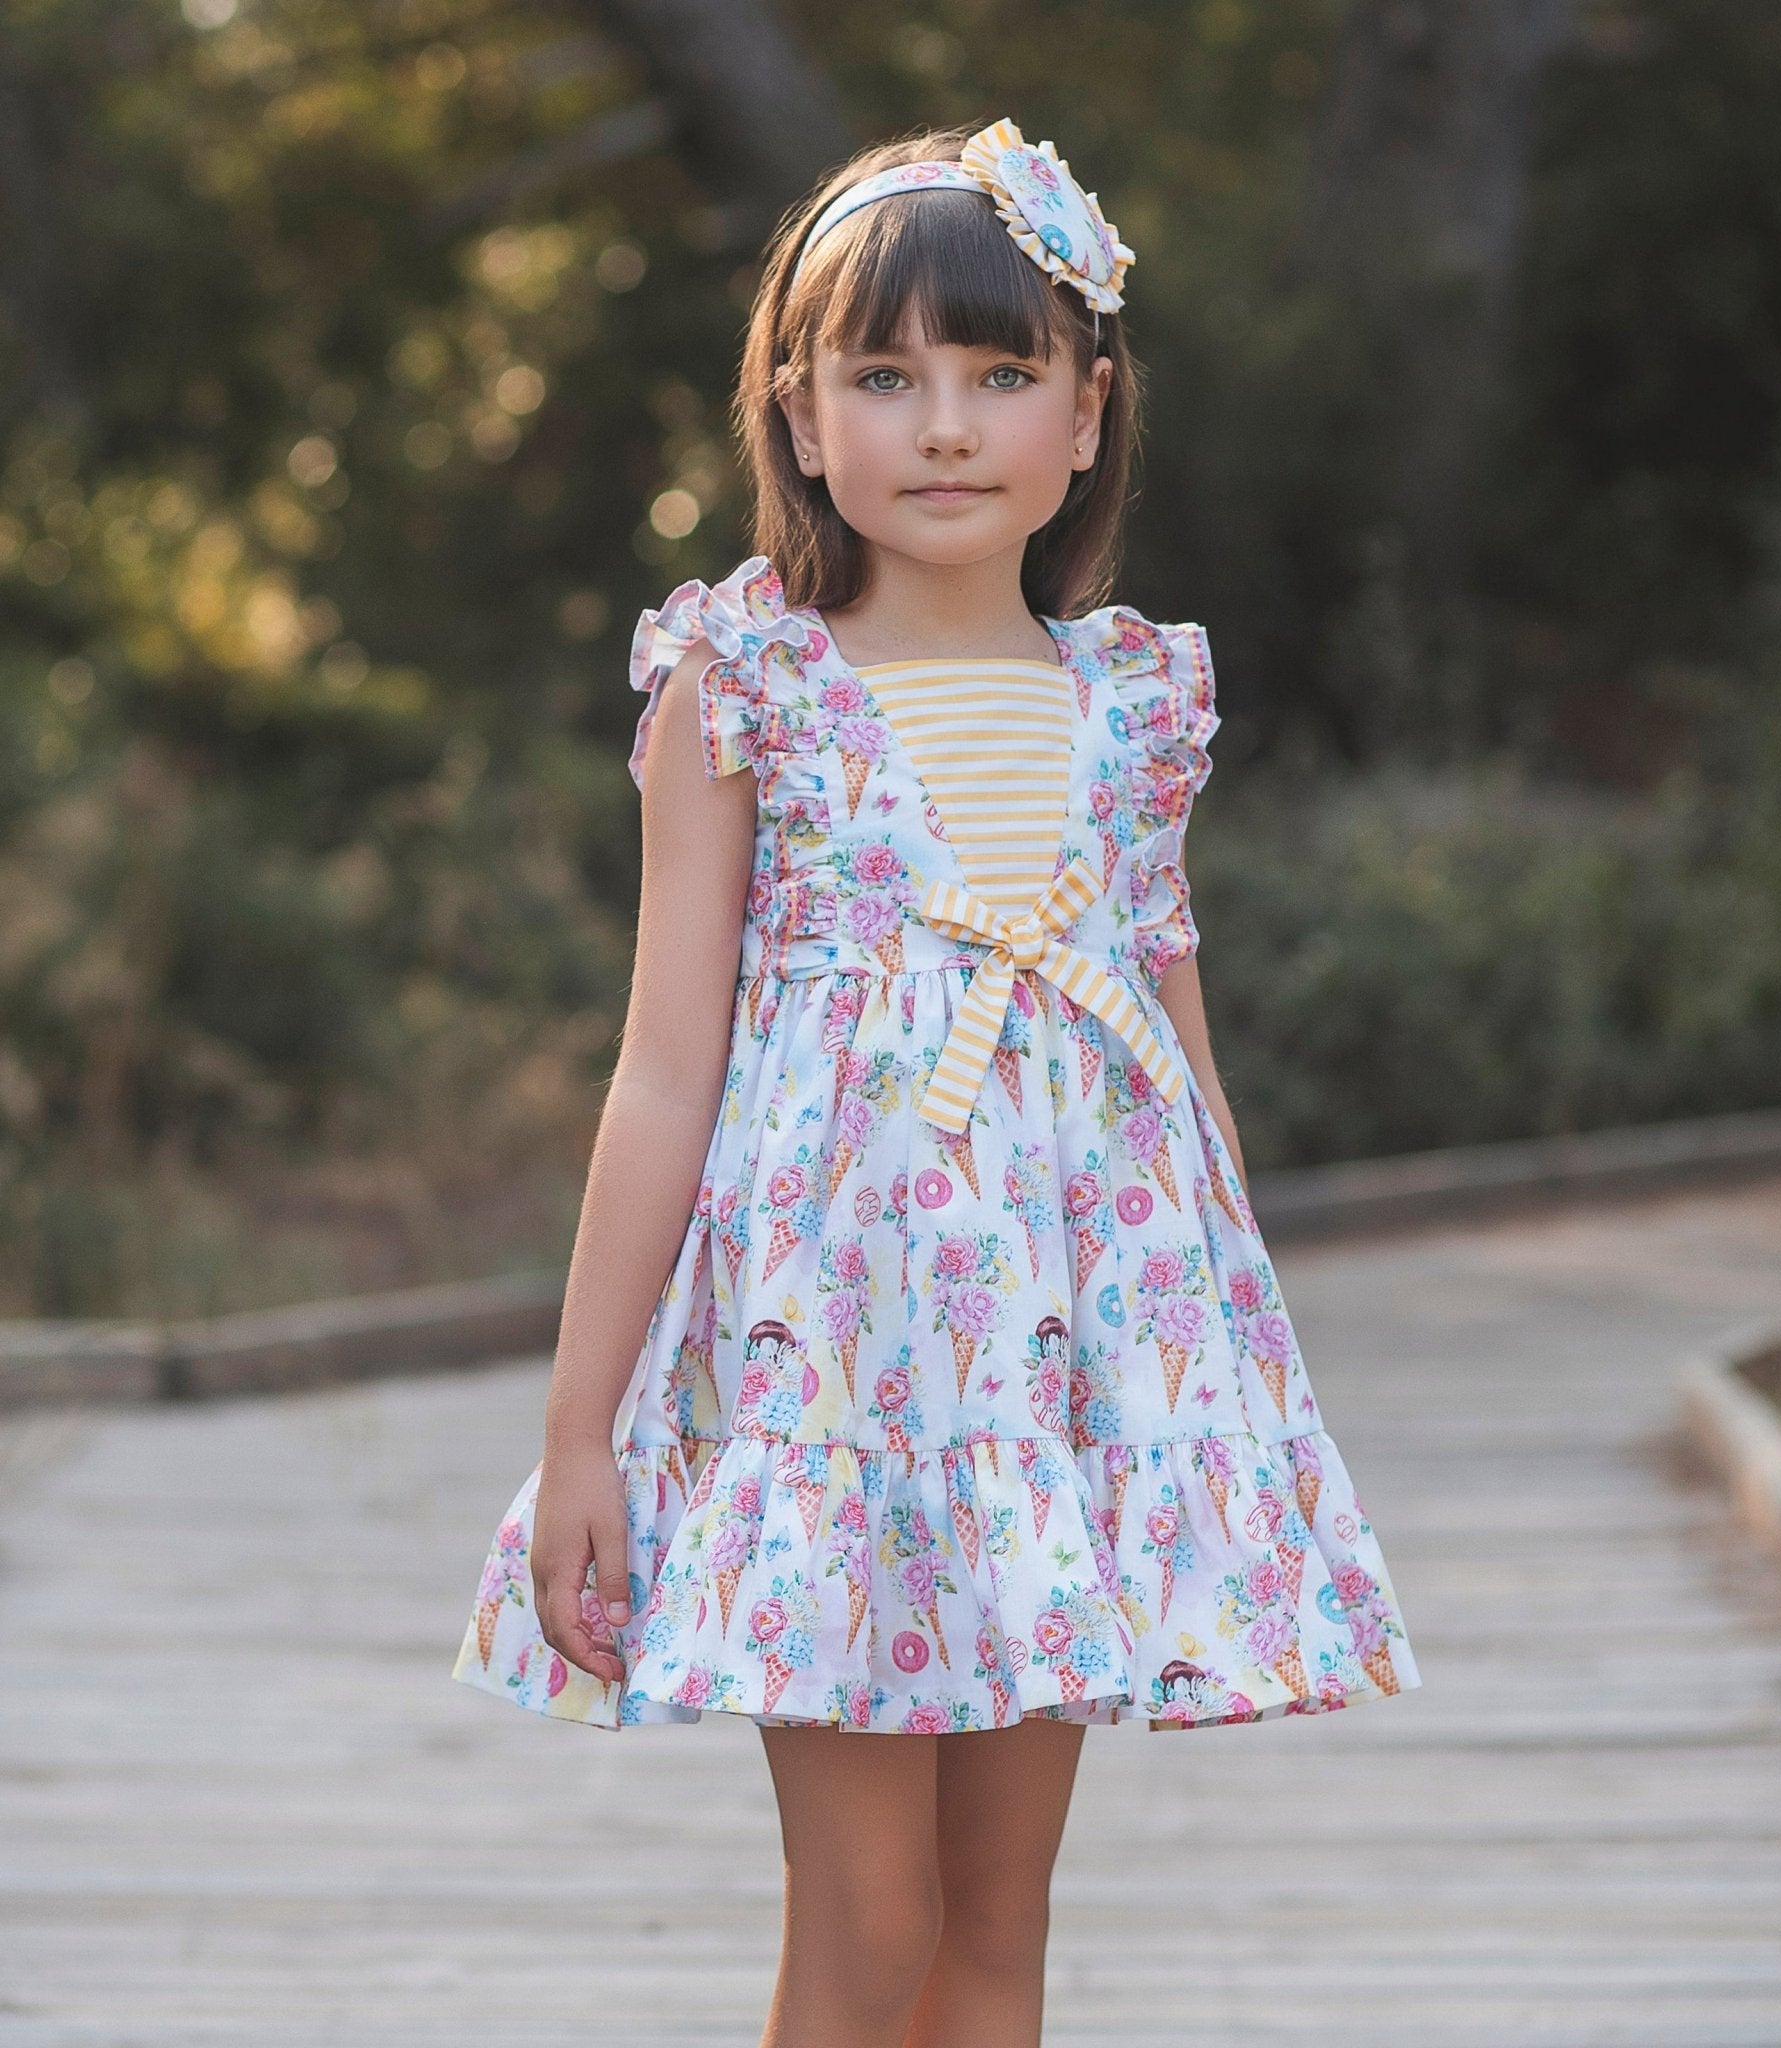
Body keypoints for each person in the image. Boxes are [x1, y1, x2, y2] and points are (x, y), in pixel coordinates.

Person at [451, 117, 1421, 2047]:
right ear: (800, 419)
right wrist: (581, 1435)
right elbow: (664, 1071)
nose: (949, 426)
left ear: (1086, 410)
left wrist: (1222, 1404)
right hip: (838, 1390)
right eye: (885, 379)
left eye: (1000, 372)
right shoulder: (750, 688)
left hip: (1054, 1391)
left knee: (993, 1923)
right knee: (868, 1916)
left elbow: (1179, 1077)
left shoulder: (1129, 705)